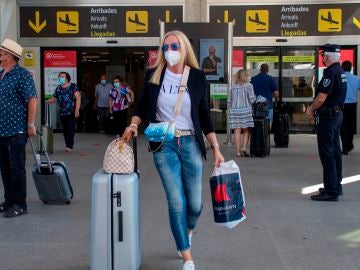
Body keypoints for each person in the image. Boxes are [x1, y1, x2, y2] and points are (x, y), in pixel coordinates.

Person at [123, 30, 224, 270]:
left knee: (195, 205)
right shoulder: (153, 75)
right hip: (164, 145)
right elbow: (141, 107)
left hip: (191, 143)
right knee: (176, 201)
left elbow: (204, 115)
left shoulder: (198, 77)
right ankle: (186, 255)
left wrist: (216, 148)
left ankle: (186, 231)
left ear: (184, 48)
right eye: (166, 47)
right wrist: (133, 124)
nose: (170, 51)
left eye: (175, 46)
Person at [0, 38, 37, 217]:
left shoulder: (22, 74)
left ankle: (20, 204)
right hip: (1, 129)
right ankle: (9, 201)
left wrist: (30, 124)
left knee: (16, 168)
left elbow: (32, 99)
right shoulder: (1, 74)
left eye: (1, 52)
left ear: (9, 55)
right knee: (4, 168)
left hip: (16, 129)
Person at [306, 44, 347, 202]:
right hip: (337, 115)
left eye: (323, 55)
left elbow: (321, 98)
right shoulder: (341, 71)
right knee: (335, 150)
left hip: (328, 118)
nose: (322, 58)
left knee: (327, 153)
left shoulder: (330, 72)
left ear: (327, 57)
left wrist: (310, 109)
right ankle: (336, 185)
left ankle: (331, 191)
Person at [47, 71, 81, 152]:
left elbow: (78, 98)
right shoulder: (58, 88)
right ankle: (67, 144)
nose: (60, 78)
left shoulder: (73, 86)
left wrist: (77, 110)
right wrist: (50, 100)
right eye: (59, 77)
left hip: (71, 111)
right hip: (62, 112)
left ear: (67, 78)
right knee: (65, 130)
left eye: (62, 77)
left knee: (70, 128)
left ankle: (69, 146)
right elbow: (55, 98)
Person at [229, 69, 256, 157]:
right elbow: (252, 99)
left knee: (237, 130)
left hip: (234, 110)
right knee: (246, 130)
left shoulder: (233, 86)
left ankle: (238, 152)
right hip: (246, 110)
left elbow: (229, 100)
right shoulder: (249, 85)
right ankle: (244, 148)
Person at [340, 60, 360, 155]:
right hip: (352, 105)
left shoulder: (339, 78)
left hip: (342, 105)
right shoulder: (357, 78)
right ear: (351, 68)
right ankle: (350, 145)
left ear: (341, 68)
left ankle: (345, 148)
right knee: (351, 125)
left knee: (343, 126)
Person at [251, 63, 279, 127]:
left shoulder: (254, 79)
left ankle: (258, 135)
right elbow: (276, 93)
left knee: (257, 122)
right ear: (267, 70)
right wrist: (276, 97)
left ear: (260, 69)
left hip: (256, 106)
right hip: (268, 106)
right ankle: (266, 135)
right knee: (268, 122)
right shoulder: (270, 79)